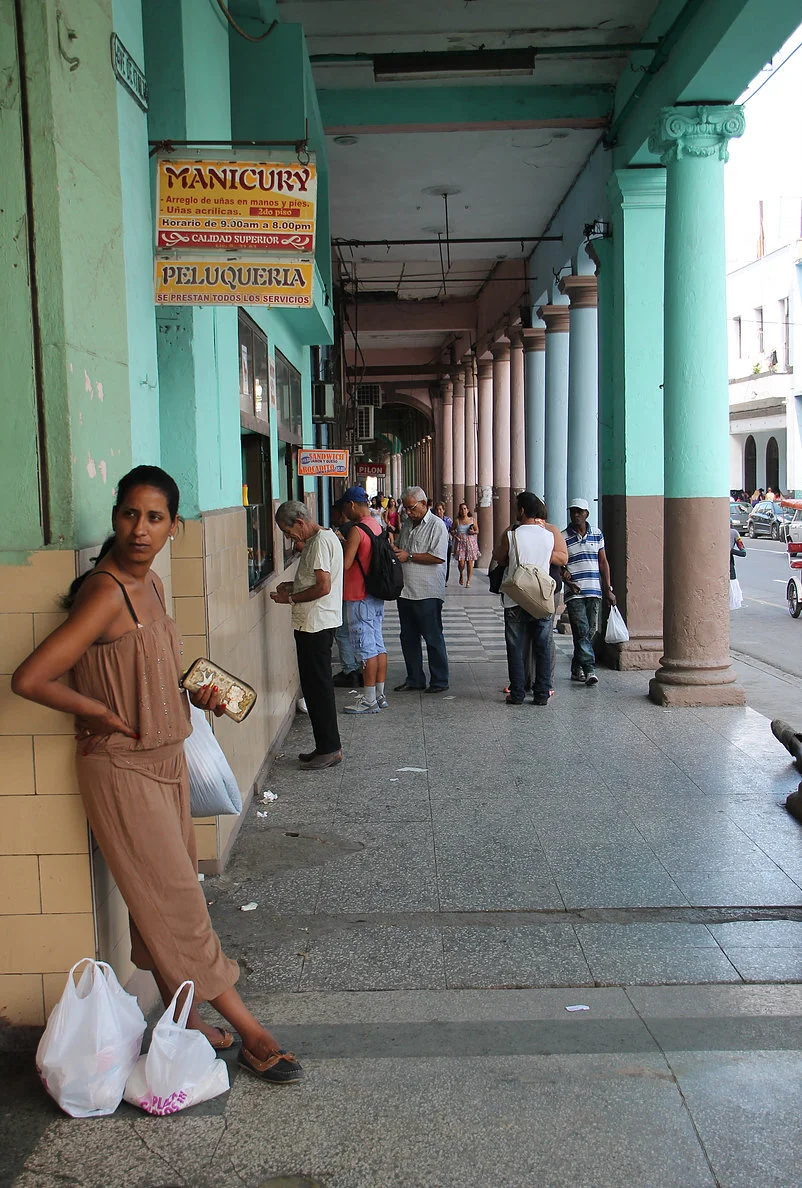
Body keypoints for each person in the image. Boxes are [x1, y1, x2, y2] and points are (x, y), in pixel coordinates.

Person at [11, 466, 301, 1084]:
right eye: (128, 515)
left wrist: (195, 696)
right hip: (120, 769)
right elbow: (30, 679)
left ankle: (186, 1013)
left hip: (167, 759)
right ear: (115, 516)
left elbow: (149, 670)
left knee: (160, 900)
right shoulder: (105, 593)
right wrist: (105, 713)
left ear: (173, 526)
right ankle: (252, 1032)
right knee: (180, 903)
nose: (139, 530)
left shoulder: (155, 588)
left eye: (154, 518)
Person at [271, 501, 343, 770]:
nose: (289, 538)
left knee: (319, 688)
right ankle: (324, 745)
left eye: (288, 532)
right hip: (313, 622)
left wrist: (290, 598)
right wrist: (293, 586)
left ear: (300, 522)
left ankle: (330, 748)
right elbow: (316, 581)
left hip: (317, 624)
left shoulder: (321, 542)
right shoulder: (317, 541)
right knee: (313, 688)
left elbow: (323, 587)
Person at [493, 492, 568, 706]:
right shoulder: (549, 534)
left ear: (523, 510)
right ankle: (542, 692)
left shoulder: (513, 534)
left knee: (515, 647)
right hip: (541, 596)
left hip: (516, 596)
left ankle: (517, 692)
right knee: (543, 645)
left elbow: (499, 557)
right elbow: (559, 558)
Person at [393, 486, 450, 693]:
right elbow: (402, 546)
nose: (408, 512)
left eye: (412, 508)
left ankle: (440, 680)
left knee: (433, 636)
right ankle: (414, 678)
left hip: (427, 592)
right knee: (408, 637)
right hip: (406, 591)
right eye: (406, 509)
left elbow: (438, 557)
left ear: (424, 504)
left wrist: (409, 556)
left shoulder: (437, 526)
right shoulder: (408, 523)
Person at [340, 485, 388, 714]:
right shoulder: (376, 526)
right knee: (378, 645)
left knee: (365, 649)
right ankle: (379, 695)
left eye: (344, 507)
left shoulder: (357, 531)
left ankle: (369, 700)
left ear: (351, 505)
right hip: (375, 595)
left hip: (359, 596)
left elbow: (346, 564)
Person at [562, 497, 615, 687]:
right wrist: (564, 576)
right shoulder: (563, 537)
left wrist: (607, 588)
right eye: (573, 511)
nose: (575, 514)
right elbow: (560, 564)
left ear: (587, 514)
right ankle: (589, 669)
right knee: (582, 630)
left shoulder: (597, 534)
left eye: (579, 511)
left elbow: (603, 562)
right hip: (575, 592)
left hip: (594, 590)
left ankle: (577, 668)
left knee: (589, 631)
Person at [329, 499, 363, 688]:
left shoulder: (351, 529)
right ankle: (358, 668)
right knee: (357, 631)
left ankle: (350, 670)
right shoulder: (366, 527)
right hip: (358, 590)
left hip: (348, 587)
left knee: (342, 632)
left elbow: (346, 562)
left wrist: (340, 545)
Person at [451, 502, 479, 587]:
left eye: (464, 508)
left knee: (470, 563)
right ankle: (461, 574)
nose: (463, 511)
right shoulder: (457, 521)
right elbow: (452, 530)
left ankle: (468, 581)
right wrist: (455, 536)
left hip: (470, 543)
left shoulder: (472, 520)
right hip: (461, 543)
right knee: (461, 563)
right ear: (459, 511)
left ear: (467, 510)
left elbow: (477, 531)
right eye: (461, 509)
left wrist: (473, 532)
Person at [434, 501, 453, 584]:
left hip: (447, 543)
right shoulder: (433, 521)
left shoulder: (448, 521)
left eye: (440, 510)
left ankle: (445, 579)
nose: (439, 512)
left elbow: (452, 530)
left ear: (444, 510)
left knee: (446, 561)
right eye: (437, 510)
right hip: (436, 543)